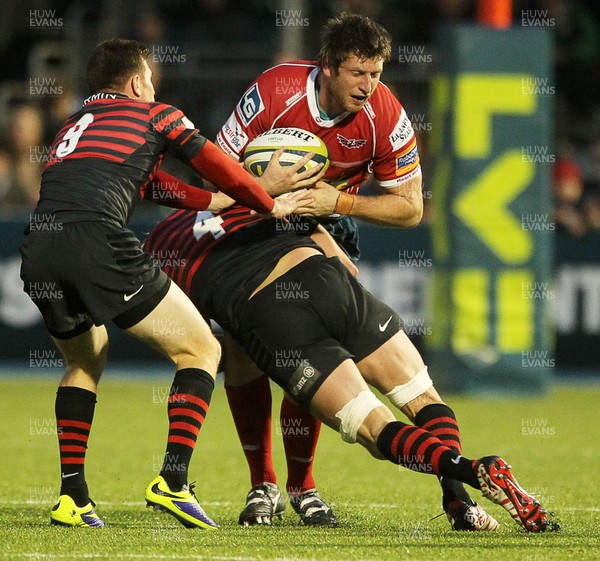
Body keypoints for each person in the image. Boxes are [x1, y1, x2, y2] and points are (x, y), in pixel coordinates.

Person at [212, 12, 487, 530]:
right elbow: (219, 168)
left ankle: (303, 487)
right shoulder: (274, 92)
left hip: (332, 223)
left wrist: (335, 202)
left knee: (311, 353)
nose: (368, 86)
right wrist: (273, 198)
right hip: (253, 217)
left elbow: (410, 207)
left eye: (376, 73)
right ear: (328, 68)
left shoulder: (385, 113)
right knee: (243, 354)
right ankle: (262, 484)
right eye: (357, 73)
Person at [19, 38, 307, 529]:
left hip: (39, 248)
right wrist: (266, 201)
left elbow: (152, 185)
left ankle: (73, 496)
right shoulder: (156, 115)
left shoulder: (75, 124)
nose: (154, 87)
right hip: (97, 242)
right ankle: (173, 482)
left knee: (85, 358)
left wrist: (215, 203)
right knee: (201, 351)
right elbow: (216, 163)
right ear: (136, 82)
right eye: (150, 79)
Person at [143, 203, 559, 534]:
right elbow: (344, 260)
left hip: (269, 308)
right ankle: (457, 501)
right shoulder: (253, 194)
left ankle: (471, 471)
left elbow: (189, 334)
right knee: (422, 395)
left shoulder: (158, 244)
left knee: (375, 430)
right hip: (329, 282)